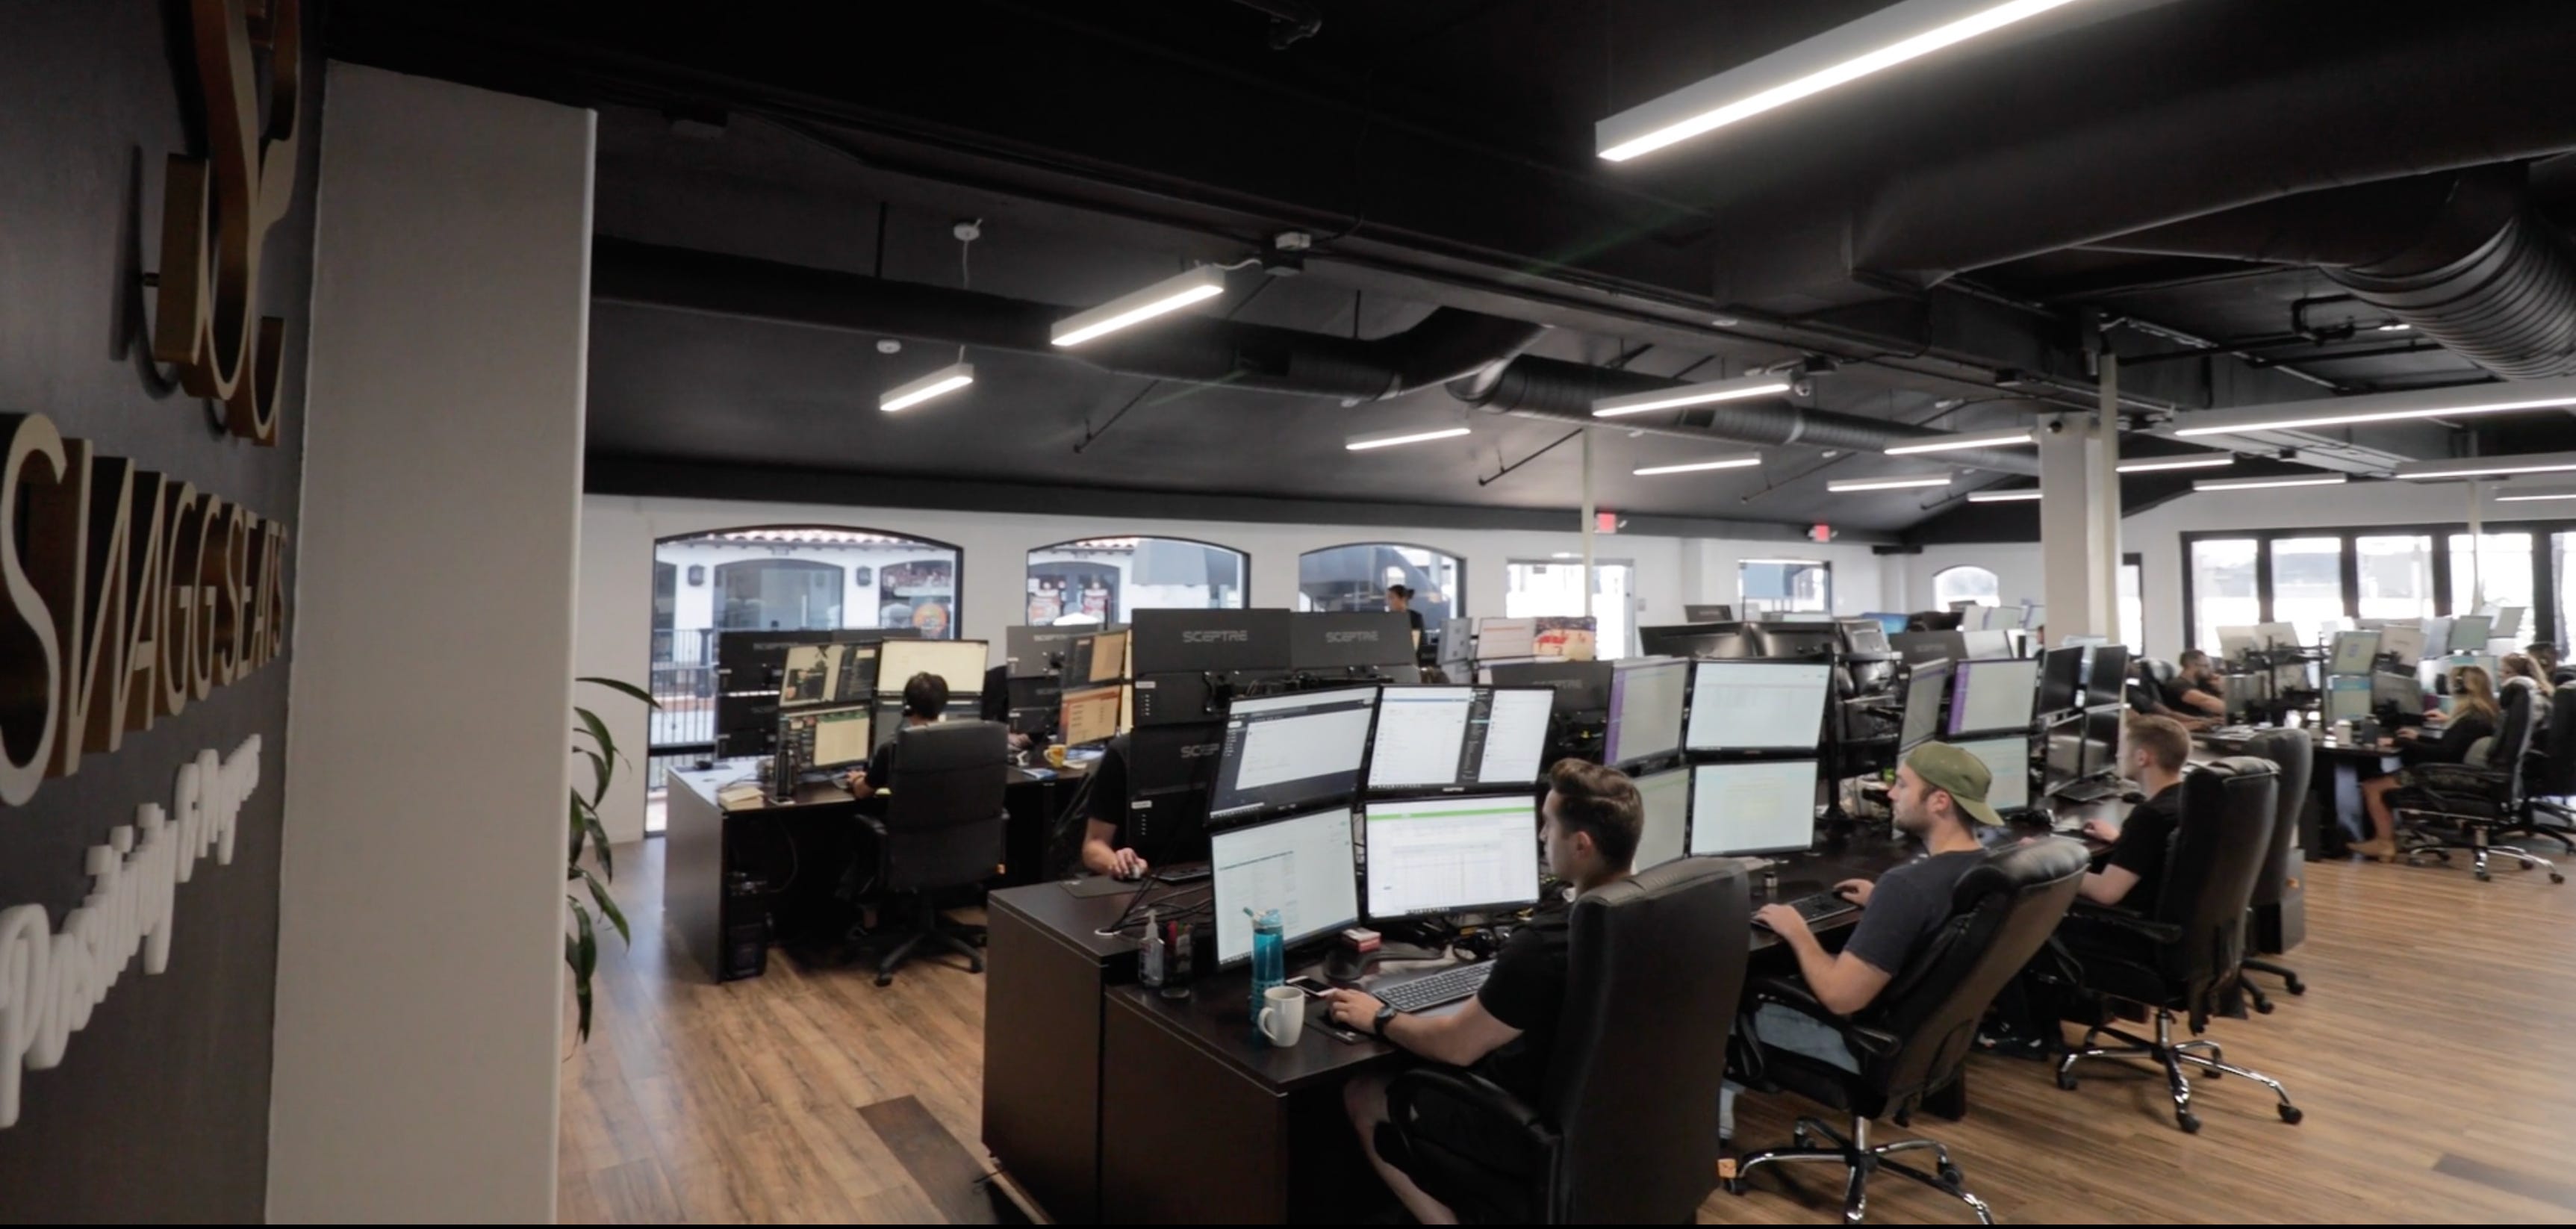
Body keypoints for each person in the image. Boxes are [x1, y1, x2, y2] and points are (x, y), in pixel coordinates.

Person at [1324, 760, 1640, 1225]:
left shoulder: (1544, 944)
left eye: (1548, 825)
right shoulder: (1654, 912)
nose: (1541, 837)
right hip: (1617, 1124)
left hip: (1525, 1126)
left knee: (1363, 1092)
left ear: (1581, 844)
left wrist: (1380, 1017)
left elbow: (1455, 1047)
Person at [1720, 742, 2002, 1140]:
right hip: (1927, 1043)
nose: (1891, 794)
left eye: (1902, 785)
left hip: (1864, 1046)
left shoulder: (1907, 888)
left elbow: (1841, 997)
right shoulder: (1984, 869)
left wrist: (1797, 930)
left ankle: (1715, 1132)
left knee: (1715, 1008)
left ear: (1939, 801)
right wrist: (1884, 904)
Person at [2354, 664, 2501, 861]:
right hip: (2466, 772)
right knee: (2389, 777)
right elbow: (2450, 746)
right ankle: (2397, 834)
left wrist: (2399, 742)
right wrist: (2417, 738)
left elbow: (2444, 754)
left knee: (2372, 786)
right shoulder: (2482, 713)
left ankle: (2384, 844)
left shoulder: (2471, 720)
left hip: (2449, 774)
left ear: (2460, 687)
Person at [2076, 715, 2190, 908]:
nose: (2119, 756)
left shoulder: (2150, 816)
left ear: (2141, 758)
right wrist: (2122, 841)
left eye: (2123, 749)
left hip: (2130, 919)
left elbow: (2106, 892)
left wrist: (2050, 862)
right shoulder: (2189, 798)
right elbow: (2162, 851)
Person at [836, 671, 946, 795]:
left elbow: (862, 791)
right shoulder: (957, 744)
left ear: (908, 707)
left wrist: (856, 779)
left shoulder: (892, 749)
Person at [2160, 650, 2227, 718]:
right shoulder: (2177, 685)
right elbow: (2206, 701)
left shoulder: (2202, 684)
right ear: (2193, 665)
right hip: (2193, 723)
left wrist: (2220, 690)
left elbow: (2222, 704)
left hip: (2211, 721)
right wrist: (2233, 710)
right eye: (2206, 666)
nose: (2211, 670)